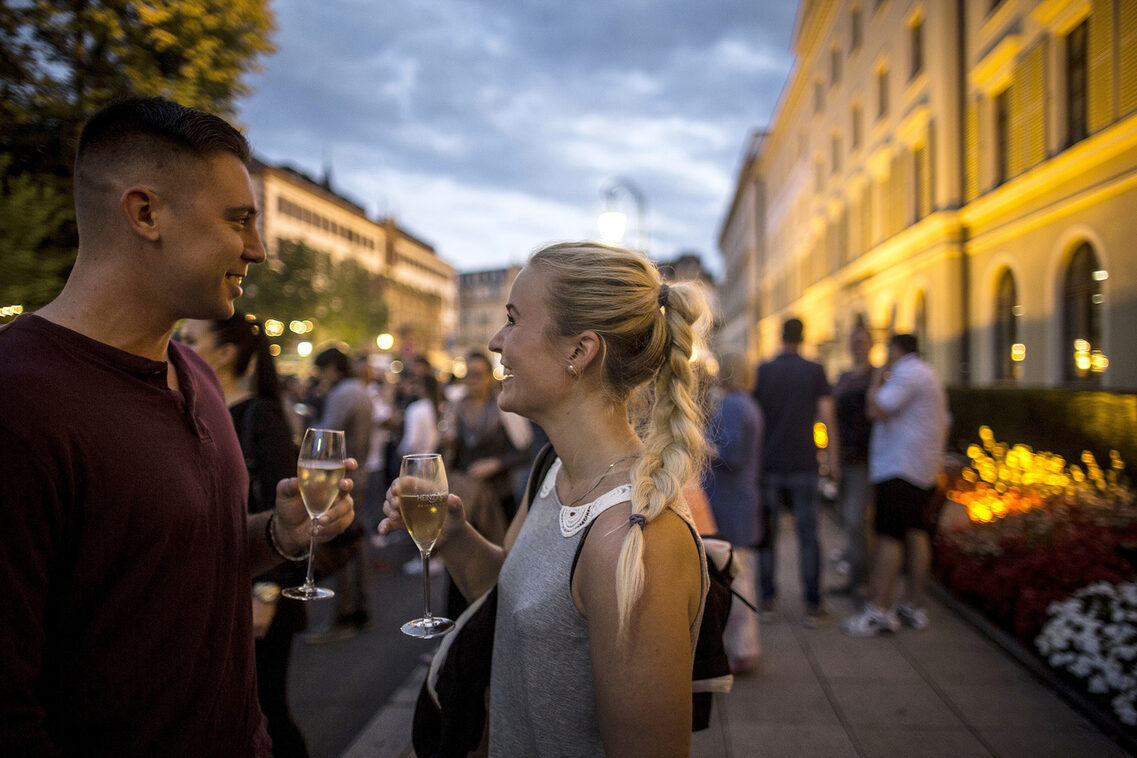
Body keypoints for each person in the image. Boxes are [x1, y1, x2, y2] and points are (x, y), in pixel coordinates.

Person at [0, 97, 354, 756]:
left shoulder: (194, 372)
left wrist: (277, 533)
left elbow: (182, 559)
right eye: (238, 219)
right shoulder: (21, 402)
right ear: (145, 213)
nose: (259, 248)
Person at [381, 242, 710, 756]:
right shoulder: (553, 470)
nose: (495, 342)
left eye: (513, 321)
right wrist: (455, 539)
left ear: (579, 351)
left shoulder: (636, 539)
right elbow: (518, 603)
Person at [178, 312, 310, 758]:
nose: (180, 346)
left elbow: (286, 510)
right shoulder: (196, 411)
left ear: (226, 353)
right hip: (227, 588)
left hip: (263, 593)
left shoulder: (259, 416)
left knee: (267, 711)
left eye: (190, 338)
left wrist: (269, 591)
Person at [842, 333, 950, 637]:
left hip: (899, 469)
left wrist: (877, 378)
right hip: (920, 469)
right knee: (916, 534)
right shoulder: (926, 372)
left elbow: (875, 409)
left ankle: (878, 610)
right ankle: (912, 605)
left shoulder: (906, 373)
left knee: (889, 537)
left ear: (896, 349)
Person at [753, 317, 839, 628]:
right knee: (808, 536)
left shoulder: (764, 371)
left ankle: (767, 603)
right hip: (804, 463)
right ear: (803, 337)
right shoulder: (814, 370)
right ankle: (813, 607)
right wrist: (833, 460)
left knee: (767, 536)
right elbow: (827, 416)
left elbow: (757, 420)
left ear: (780, 336)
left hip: (770, 464)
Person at [307, 346, 373, 641]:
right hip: (358, 474)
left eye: (322, 370)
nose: (320, 377)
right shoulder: (359, 390)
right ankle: (358, 610)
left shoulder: (344, 393)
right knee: (355, 544)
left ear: (333, 368)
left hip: (342, 478)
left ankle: (345, 615)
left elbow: (325, 437)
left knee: (340, 545)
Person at [704, 352, 763, 674]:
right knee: (739, 575)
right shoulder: (747, 403)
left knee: (735, 577)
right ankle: (744, 646)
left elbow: (731, 453)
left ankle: (742, 649)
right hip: (740, 498)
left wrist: (698, 445)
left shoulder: (733, 405)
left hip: (730, 501)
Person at [831, 323, 876, 603]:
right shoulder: (845, 377)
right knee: (848, 522)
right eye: (854, 340)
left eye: (862, 340)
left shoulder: (876, 376)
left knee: (857, 520)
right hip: (844, 458)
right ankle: (855, 579)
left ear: (871, 344)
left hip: (866, 459)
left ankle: (863, 583)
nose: (857, 344)